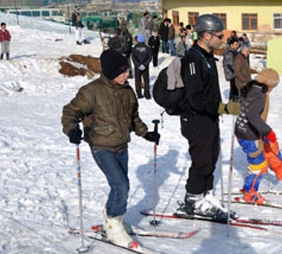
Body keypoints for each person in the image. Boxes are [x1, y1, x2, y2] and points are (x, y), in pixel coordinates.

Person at [61, 49, 160, 249]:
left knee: (121, 186)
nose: (127, 75)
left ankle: (111, 218)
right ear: (110, 72)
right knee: (120, 186)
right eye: (122, 72)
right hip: (101, 145)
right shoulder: (91, 91)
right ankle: (114, 225)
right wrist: (72, 129)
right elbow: (70, 112)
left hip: (121, 145)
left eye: (127, 71)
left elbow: (133, 117)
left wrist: (145, 133)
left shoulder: (127, 90)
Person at [175, 14, 240, 221]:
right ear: (206, 35)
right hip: (195, 119)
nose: (222, 39)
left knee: (212, 157)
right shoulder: (193, 59)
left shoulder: (209, 57)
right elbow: (195, 98)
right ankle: (193, 199)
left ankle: (205, 195)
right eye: (219, 36)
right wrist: (222, 107)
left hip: (209, 117)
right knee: (202, 160)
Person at [234, 68, 282, 204]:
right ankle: (250, 194)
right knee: (259, 167)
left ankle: (249, 188)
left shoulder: (249, 89)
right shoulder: (260, 95)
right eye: (273, 87)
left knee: (256, 162)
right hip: (250, 136)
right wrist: (267, 131)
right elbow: (253, 116)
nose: (272, 90)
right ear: (268, 84)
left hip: (241, 132)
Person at [131, 34, 153, 99]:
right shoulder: (147, 48)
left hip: (137, 67)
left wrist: (138, 65)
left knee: (137, 80)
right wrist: (144, 64)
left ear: (137, 40)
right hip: (145, 67)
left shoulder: (134, 48)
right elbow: (149, 58)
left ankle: (139, 94)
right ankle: (147, 94)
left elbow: (133, 58)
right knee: (146, 80)